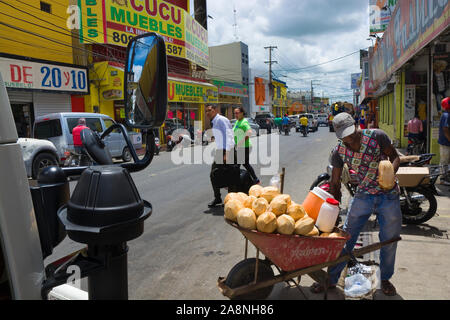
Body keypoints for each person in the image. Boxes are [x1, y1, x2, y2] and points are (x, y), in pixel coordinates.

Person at [310, 112, 402, 297]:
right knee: (345, 237)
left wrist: (390, 174)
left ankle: (385, 279)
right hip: (363, 195)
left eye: (351, 133)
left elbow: (395, 157)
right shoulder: (338, 152)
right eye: (344, 135)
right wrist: (333, 208)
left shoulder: (377, 136)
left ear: (357, 126)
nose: (349, 139)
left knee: (390, 239)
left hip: (388, 194)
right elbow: (335, 182)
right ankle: (331, 279)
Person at [206, 105, 235, 207]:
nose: (207, 113)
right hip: (220, 150)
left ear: (215, 110)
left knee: (229, 175)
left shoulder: (221, 120)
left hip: (227, 150)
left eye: (209, 110)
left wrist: (227, 153)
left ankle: (230, 200)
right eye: (206, 111)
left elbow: (229, 136)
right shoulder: (214, 121)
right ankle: (218, 198)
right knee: (214, 174)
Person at [233, 107, 260, 184]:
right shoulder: (237, 122)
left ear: (242, 113)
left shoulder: (244, 122)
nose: (236, 114)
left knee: (237, 164)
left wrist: (240, 142)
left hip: (244, 146)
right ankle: (255, 179)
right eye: (234, 113)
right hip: (239, 146)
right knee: (244, 164)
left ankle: (233, 181)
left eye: (237, 113)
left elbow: (249, 132)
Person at [438, 97, 450, 185]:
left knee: (446, 161)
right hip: (445, 142)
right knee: (444, 161)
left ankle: (445, 177)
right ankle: (442, 179)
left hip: (445, 142)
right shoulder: (446, 115)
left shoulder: (446, 114)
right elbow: (445, 129)